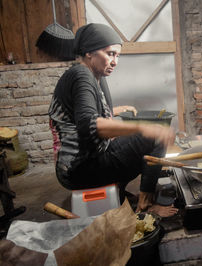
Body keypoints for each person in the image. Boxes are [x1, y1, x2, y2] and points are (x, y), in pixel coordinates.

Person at [48, 23, 178, 217]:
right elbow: (89, 126)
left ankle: (120, 193)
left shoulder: (93, 75)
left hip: (83, 162)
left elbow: (81, 114)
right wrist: (144, 128)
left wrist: (117, 110)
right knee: (154, 137)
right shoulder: (81, 75)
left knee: (131, 142)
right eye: (110, 54)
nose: (115, 61)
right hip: (79, 169)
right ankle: (145, 204)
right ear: (89, 52)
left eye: (117, 55)